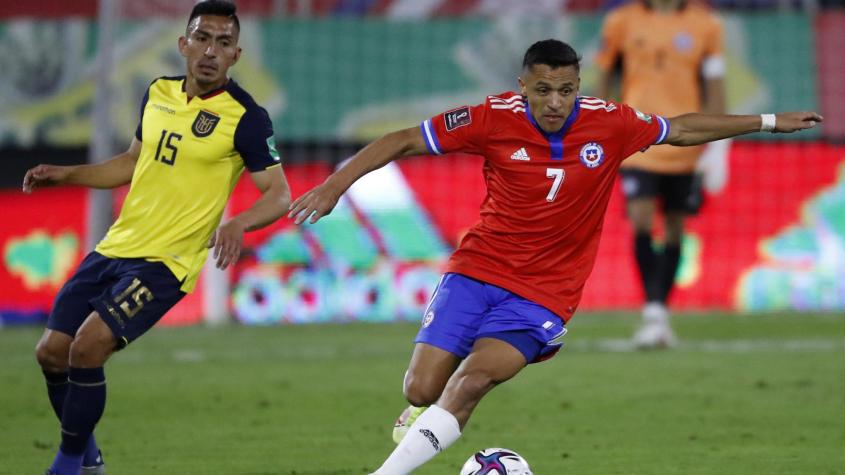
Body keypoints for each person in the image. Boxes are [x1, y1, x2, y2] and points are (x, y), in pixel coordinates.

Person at [288, 39, 820, 475]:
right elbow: (404, 139)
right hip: (476, 272)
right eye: (542, 90)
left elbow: (678, 129)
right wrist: (336, 185)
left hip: (545, 293)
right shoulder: (489, 118)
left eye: (566, 90)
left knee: (471, 382)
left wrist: (768, 121)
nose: (555, 103)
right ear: (523, 87)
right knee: (421, 388)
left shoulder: (609, 123)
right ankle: (427, 413)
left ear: (578, 88)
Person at [23, 2, 291, 474]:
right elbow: (130, 162)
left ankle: (65, 467)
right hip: (115, 247)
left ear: (236, 55)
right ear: (183, 44)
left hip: (166, 264)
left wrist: (237, 223)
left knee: (87, 347)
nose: (211, 51)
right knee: (50, 353)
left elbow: (278, 194)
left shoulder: (247, 117)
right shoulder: (158, 92)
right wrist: (66, 174)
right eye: (202, 38)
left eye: (223, 43)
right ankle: (89, 459)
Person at [594, 0, 727, 347]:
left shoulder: (706, 24)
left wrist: (718, 145)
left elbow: (714, 86)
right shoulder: (621, 21)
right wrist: (595, 128)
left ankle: (658, 310)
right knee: (640, 220)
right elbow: (605, 76)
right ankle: (654, 311)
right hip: (637, 139)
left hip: (686, 140)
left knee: (674, 227)